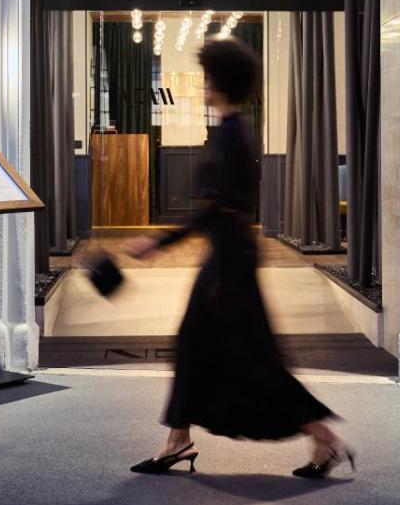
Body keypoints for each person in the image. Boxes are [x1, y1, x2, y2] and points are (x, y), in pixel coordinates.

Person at [123, 37, 355, 480]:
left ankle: (323, 435)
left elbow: (216, 210)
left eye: (207, 78)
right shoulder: (229, 129)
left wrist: (160, 241)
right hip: (227, 257)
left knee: (252, 358)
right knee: (196, 346)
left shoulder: (232, 134)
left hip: (229, 264)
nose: (203, 86)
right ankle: (178, 439)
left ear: (221, 81)